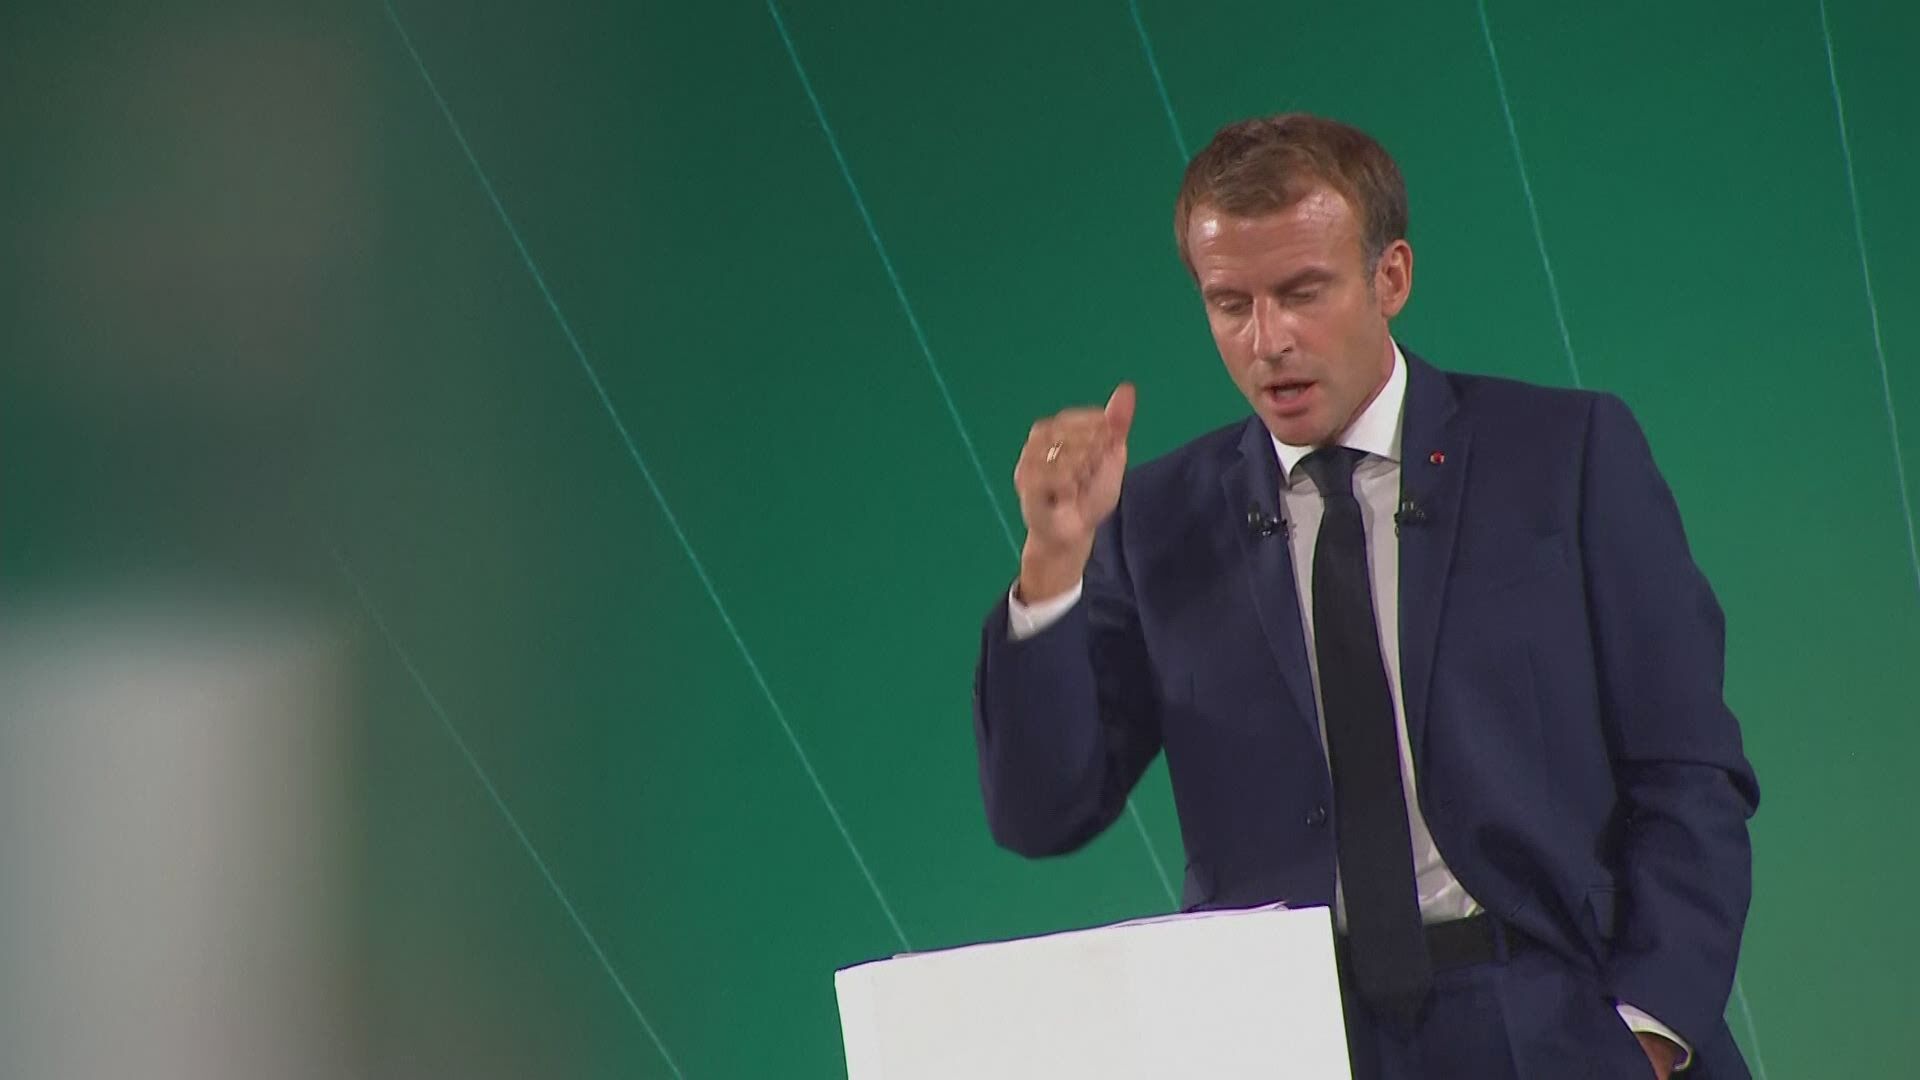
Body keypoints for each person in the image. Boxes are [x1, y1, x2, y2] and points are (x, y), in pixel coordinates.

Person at [971, 114, 1759, 1079]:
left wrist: (1648, 1031)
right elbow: (1042, 810)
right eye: (1230, 303)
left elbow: (1688, 770)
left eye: (1303, 293)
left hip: (1551, 1015)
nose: (1268, 340)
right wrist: (1053, 562)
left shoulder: (1564, 457)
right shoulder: (1157, 521)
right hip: (1293, 1039)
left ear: (1391, 277)